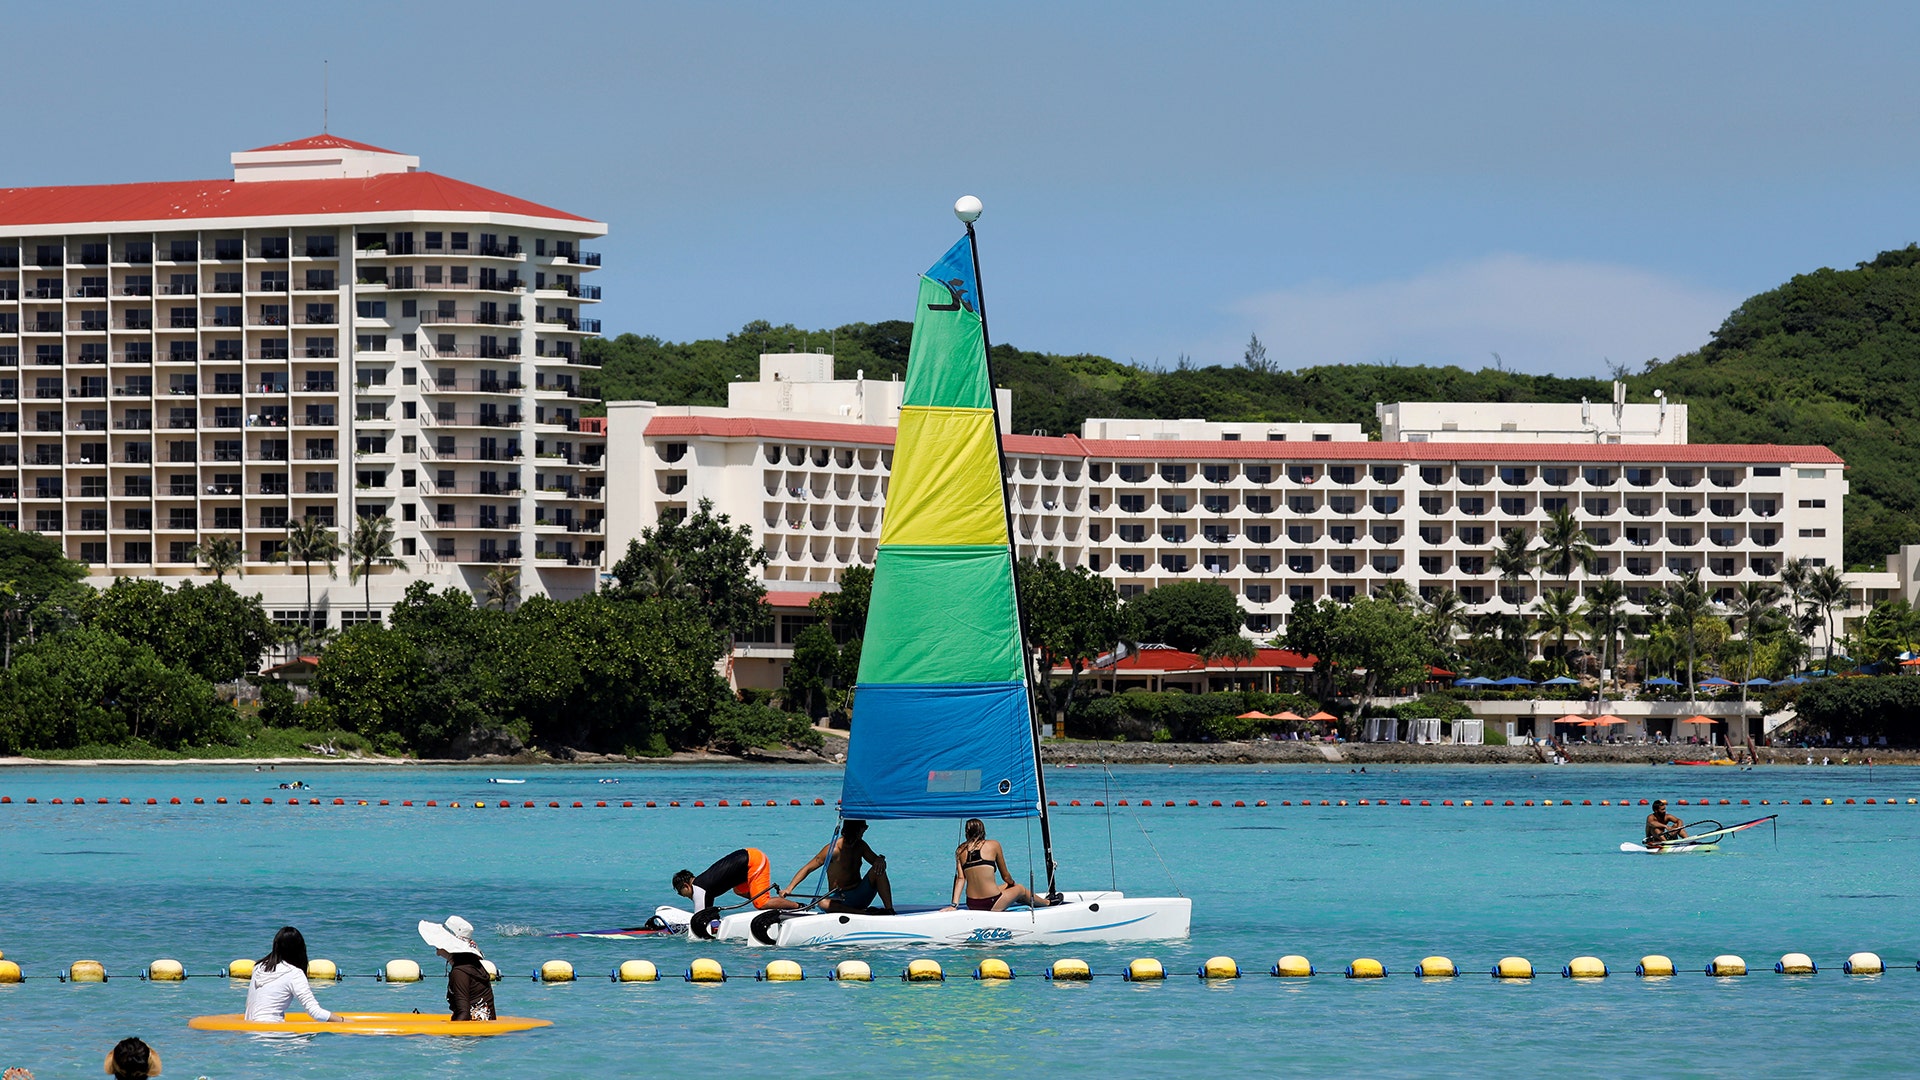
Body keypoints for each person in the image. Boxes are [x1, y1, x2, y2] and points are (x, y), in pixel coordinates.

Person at [783, 819, 894, 915]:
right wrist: (789, 888)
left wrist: (880, 860)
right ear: (855, 829)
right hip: (840, 899)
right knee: (822, 902)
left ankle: (889, 910)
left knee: (878, 870)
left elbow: (878, 863)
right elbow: (808, 868)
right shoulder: (832, 850)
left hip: (860, 894)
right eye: (864, 827)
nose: (866, 829)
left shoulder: (861, 845)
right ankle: (865, 914)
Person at [243, 926, 347, 1024]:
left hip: (251, 1030)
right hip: (273, 1033)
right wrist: (343, 1021)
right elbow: (315, 1012)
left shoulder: (258, 967)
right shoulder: (294, 973)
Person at [946, 819, 1052, 912]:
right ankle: (1047, 903)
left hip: (972, 903)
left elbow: (960, 879)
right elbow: (1005, 876)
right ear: (983, 831)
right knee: (1020, 888)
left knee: (1006, 887)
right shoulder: (993, 845)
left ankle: (1020, 898)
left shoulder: (960, 851)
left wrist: (954, 905)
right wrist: (1012, 884)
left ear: (966, 832)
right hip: (991, 903)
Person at [673, 849, 804, 915]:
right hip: (747, 862)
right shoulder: (703, 884)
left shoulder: (699, 888)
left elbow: (698, 919)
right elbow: (707, 914)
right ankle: (777, 905)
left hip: (754, 861)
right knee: (739, 890)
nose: (683, 896)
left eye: (681, 892)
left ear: (686, 886)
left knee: (761, 903)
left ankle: (800, 907)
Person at [418, 916, 494, 1022]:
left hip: (472, 1034)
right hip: (483, 1030)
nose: (437, 950)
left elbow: (464, 1014)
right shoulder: (472, 965)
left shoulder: (460, 972)